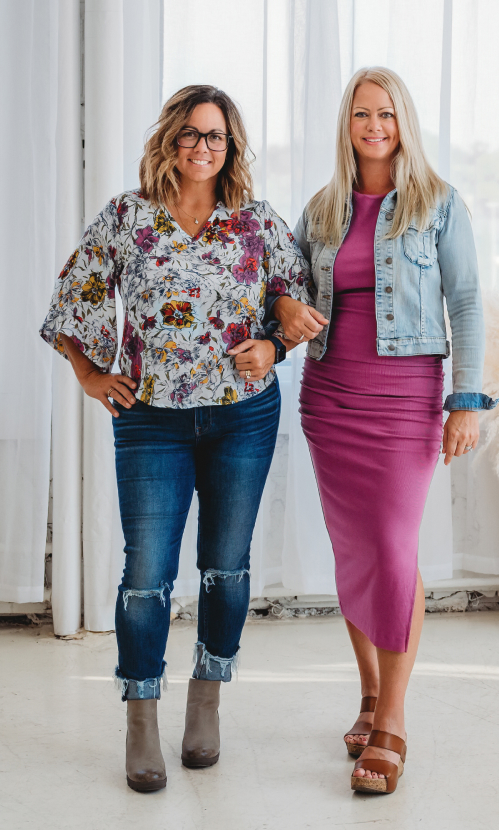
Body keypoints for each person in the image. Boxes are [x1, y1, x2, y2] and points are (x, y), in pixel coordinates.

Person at [40, 85, 310, 792]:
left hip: (242, 415)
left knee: (225, 564)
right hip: (152, 418)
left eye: (215, 135)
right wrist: (90, 374)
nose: (201, 146)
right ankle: (139, 713)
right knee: (146, 574)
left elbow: (297, 298)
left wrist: (275, 346)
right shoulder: (129, 217)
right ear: (170, 139)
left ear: (232, 146)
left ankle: (207, 698)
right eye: (189, 133)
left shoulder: (255, 221)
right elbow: (76, 295)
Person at [270, 66, 498, 795]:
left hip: (405, 398)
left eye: (387, 115)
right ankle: (367, 695)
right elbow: (288, 289)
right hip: (331, 394)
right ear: (347, 124)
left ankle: (393, 720)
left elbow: (465, 301)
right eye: (362, 115)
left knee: (395, 549)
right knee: (355, 553)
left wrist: (465, 401)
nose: (374, 127)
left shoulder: (439, 204)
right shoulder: (323, 209)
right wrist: (283, 311)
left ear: (405, 124)